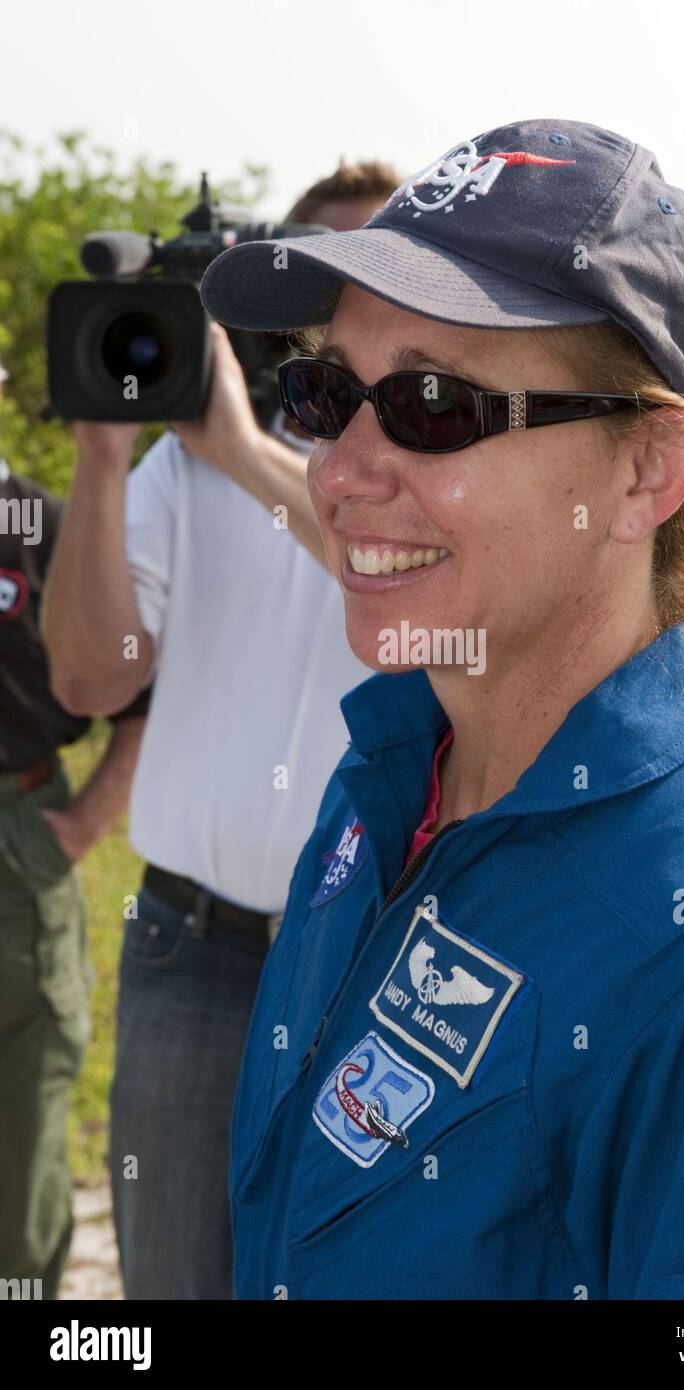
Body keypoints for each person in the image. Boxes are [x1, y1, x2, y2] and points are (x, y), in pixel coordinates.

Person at [200, 119, 684, 1300]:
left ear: (647, 470)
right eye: (326, 391)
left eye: (434, 401)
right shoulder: (388, 783)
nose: (340, 471)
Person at [42, 161, 398, 1300]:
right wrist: (105, 454)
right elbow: (92, 677)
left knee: (352, 1271)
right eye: (319, 282)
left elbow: (388, 592)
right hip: (190, 952)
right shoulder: (180, 465)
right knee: (175, 1289)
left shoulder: (437, 476)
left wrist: (246, 453)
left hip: (373, 957)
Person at [0, 366, 145, 1298]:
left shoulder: (45, 526)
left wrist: (81, 826)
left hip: (17, 846)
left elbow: (140, 693)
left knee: (22, 1150)